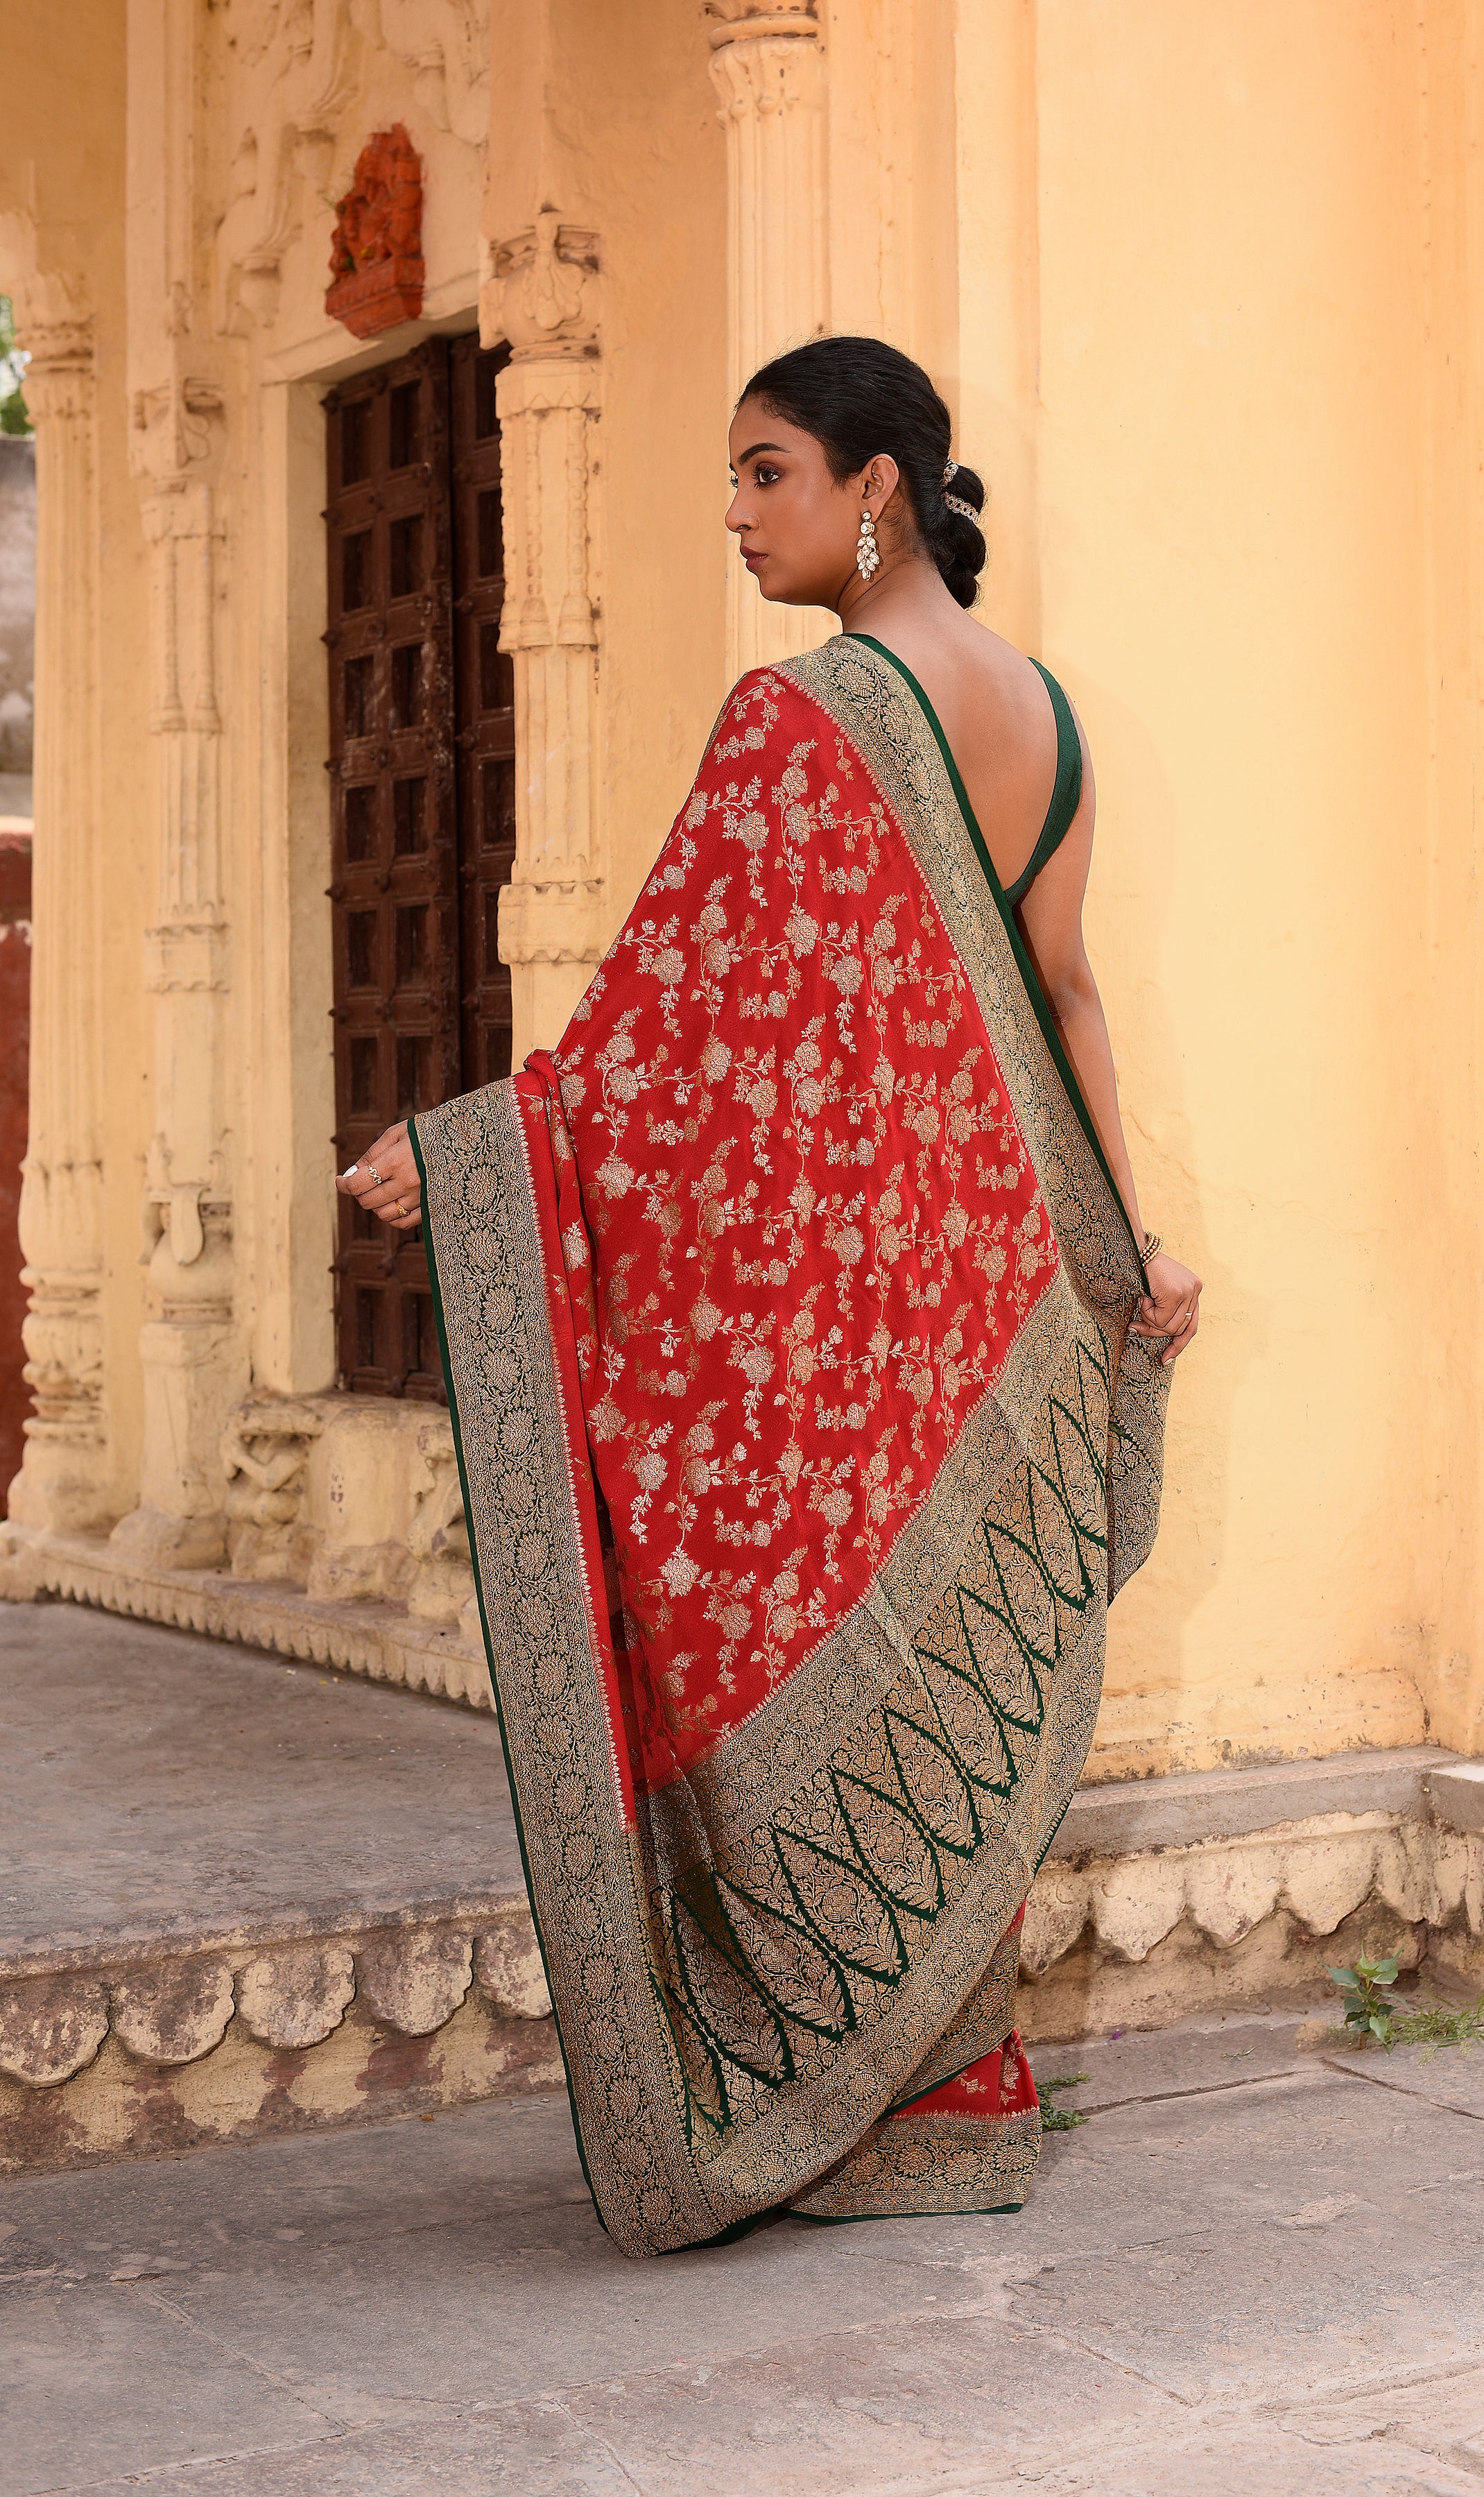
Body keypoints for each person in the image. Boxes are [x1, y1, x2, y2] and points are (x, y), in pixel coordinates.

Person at [338, 336, 1200, 2257]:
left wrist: (474, 1161)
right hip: (981, 1288)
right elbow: (1068, 1006)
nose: (734, 514)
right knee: (916, 1647)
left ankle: (831, 2088)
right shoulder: (1045, 711)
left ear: (871, 483)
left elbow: (654, 1046)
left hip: (852, 1310)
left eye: (765, 472)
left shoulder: (804, 717)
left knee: (763, 1623)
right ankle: (953, 2092)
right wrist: (1125, 1246)